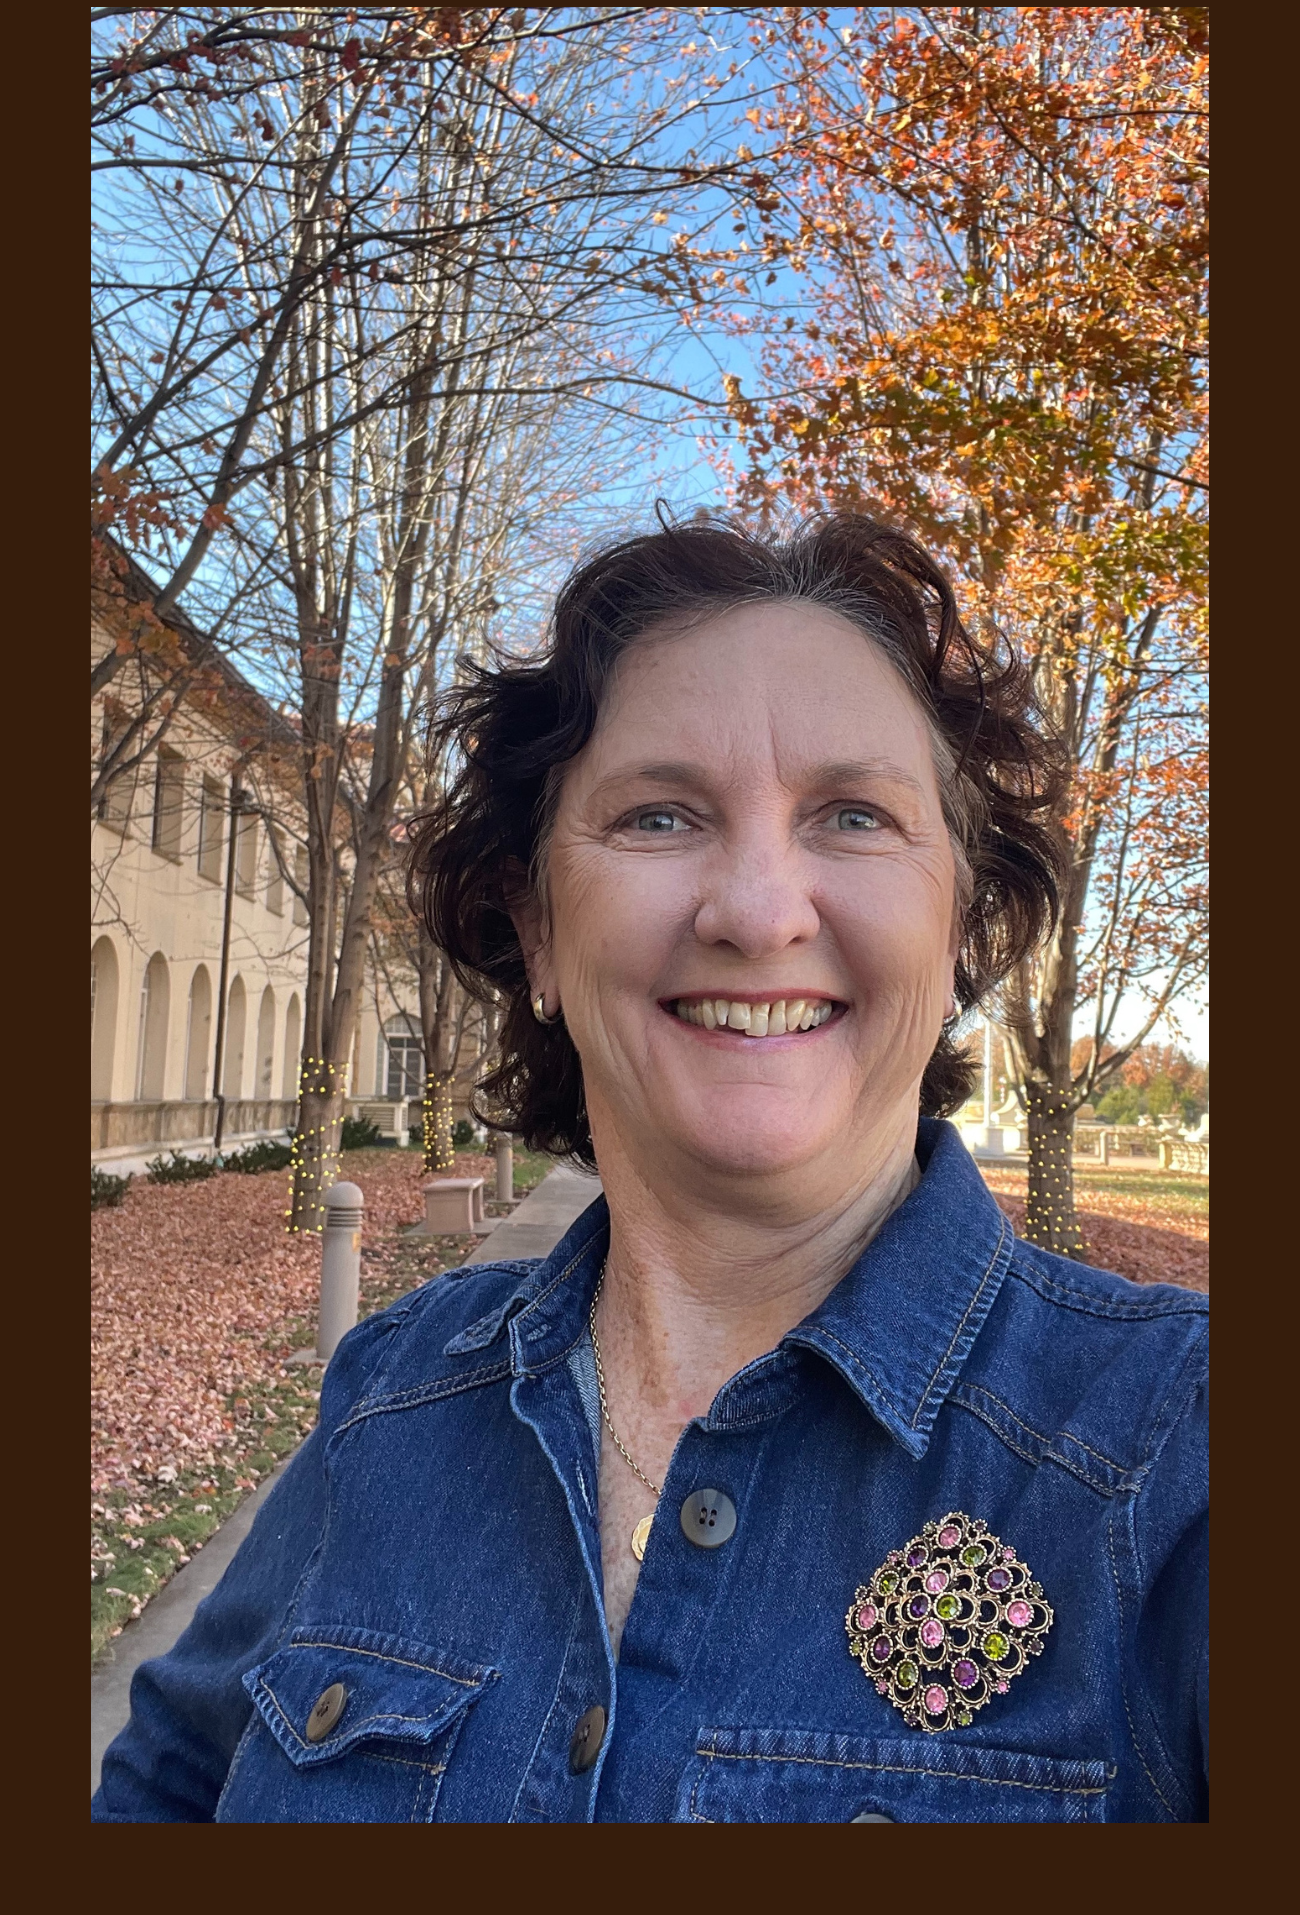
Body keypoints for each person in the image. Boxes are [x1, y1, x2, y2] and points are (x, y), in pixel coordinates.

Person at [94, 512, 1207, 1823]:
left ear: (961, 927)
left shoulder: (1182, 1450)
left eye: (852, 816)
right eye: (661, 814)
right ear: (540, 931)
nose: (755, 909)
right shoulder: (389, 1400)